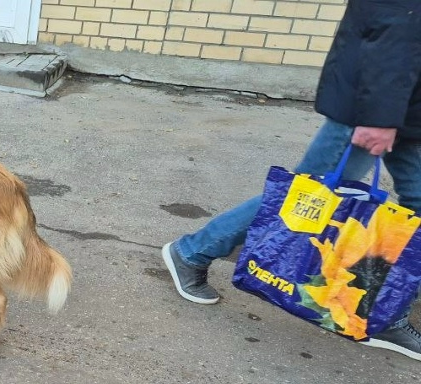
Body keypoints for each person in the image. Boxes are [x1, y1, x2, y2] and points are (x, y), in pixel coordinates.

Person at [162, 0, 421, 361]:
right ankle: (192, 252)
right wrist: (379, 117)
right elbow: (397, 31)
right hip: (376, 108)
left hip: (407, 109)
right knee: (304, 200)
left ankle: (386, 311)